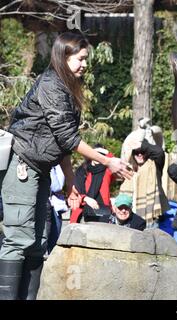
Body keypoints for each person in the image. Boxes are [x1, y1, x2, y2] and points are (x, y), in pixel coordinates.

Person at [0, 32, 132, 300]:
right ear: (64, 55)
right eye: (81, 58)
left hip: (42, 170)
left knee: (37, 244)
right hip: (22, 165)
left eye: (86, 59)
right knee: (18, 240)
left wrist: (71, 183)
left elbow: (63, 144)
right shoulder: (51, 84)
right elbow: (69, 138)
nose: (85, 64)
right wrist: (108, 161)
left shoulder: (68, 90)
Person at [120, 135, 169, 229]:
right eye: (136, 152)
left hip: (149, 218)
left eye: (142, 152)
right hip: (129, 217)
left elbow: (159, 152)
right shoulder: (128, 170)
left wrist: (141, 145)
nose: (139, 155)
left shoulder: (154, 165)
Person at [69, 144, 115, 223]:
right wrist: (86, 199)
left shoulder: (107, 170)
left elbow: (114, 161)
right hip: (82, 211)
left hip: (101, 211)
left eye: (101, 155)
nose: (98, 157)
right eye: (95, 154)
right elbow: (76, 190)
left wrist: (105, 153)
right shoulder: (82, 170)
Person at [47, 165, 68, 254]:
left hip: (54, 206)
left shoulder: (57, 166)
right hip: (45, 205)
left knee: (53, 242)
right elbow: (56, 187)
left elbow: (57, 186)